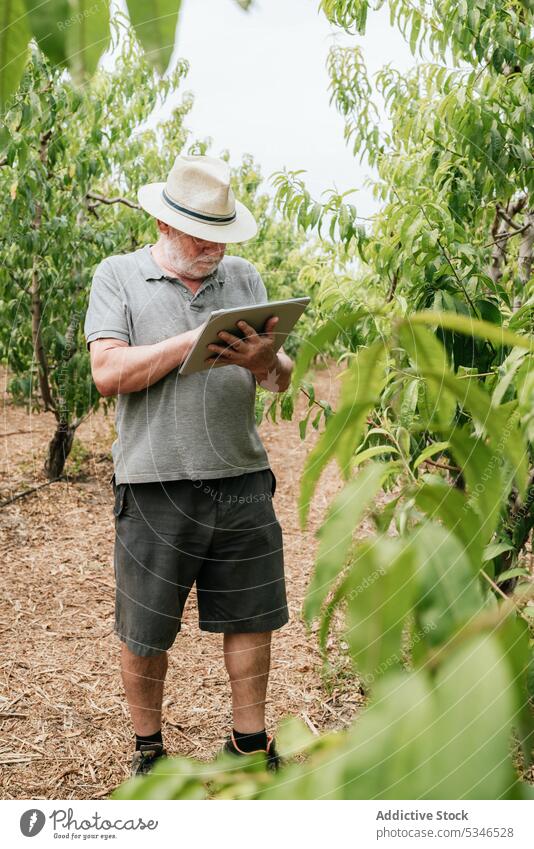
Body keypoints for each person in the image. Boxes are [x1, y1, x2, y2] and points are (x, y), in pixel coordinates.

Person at [83, 154, 294, 776]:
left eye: (221, 234)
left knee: (253, 615)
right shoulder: (117, 276)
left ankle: (248, 744)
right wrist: (195, 342)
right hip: (153, 484)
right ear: (162, 221)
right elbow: (107, 373)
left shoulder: (245, 277)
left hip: (242, 477)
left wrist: (261, 360)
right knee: (144, 627)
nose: (213, 247)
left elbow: (280, 381)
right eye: (201, 233)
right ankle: (149, 747)